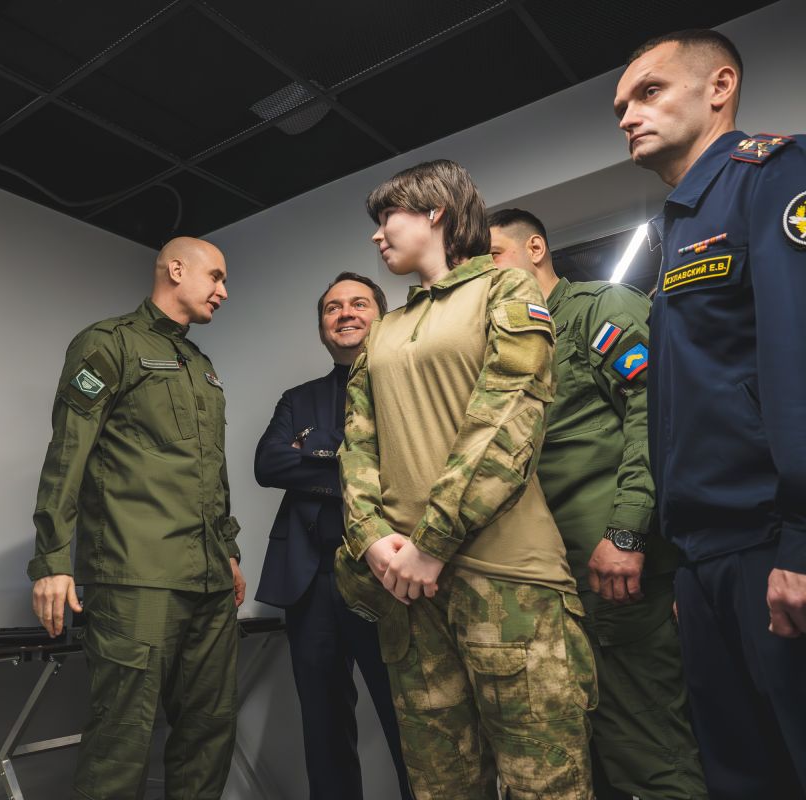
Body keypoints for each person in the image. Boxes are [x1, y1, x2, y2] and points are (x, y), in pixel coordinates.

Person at [337, 159, 595, 800]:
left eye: (387, 217)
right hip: (408, 594)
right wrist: (373, 540)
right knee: (440, 787)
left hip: (508, 582)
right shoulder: (383, 331)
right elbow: (357, 447)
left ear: (436, 212)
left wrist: (430, 543)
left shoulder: (507, 289)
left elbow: (507, 423)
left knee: (545, 784)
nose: (376, 234)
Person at [615, 28, 806, 799]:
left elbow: (798, 357)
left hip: (774, 541)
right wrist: (688, 565)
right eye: (621, 107)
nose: (629, 115)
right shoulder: (680, 223)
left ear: (719, 87)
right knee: (740, 776)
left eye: (649, 92)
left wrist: (801, 539)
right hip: (706, 559)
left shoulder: (773, 174)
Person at [488, 208, 707, 799]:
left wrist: (628, 530)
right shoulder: (504, 347)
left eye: (494, 256)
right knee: (591, 751)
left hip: (615, 569)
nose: (486, 274)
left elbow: (655, 416)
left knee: (650, 747)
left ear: (536, 248)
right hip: (551, 580)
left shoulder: (597, 310)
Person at [28, 236, 246, 800]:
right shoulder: (109, 343)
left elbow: (211, 470)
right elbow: (67, 453)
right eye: (216, 277)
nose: (224, 291)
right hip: (136, 577)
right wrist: (52, 560)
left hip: (208, 581)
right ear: (176, 270)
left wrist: (228, 551)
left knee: (209, 732)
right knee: (121, 741)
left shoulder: (201, 365)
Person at [254, 272, 413, 800]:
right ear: (323, 327)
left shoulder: (409, 384)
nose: (345, 313)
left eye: (359, 304)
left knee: (410, 723)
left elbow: (405, 467)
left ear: (383, 317)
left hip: (387, 578)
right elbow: (268, 464)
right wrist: (349, 461)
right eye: (332, 307)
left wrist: (314, 449)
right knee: (323, 730)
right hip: (311, 580)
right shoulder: (297, 399)